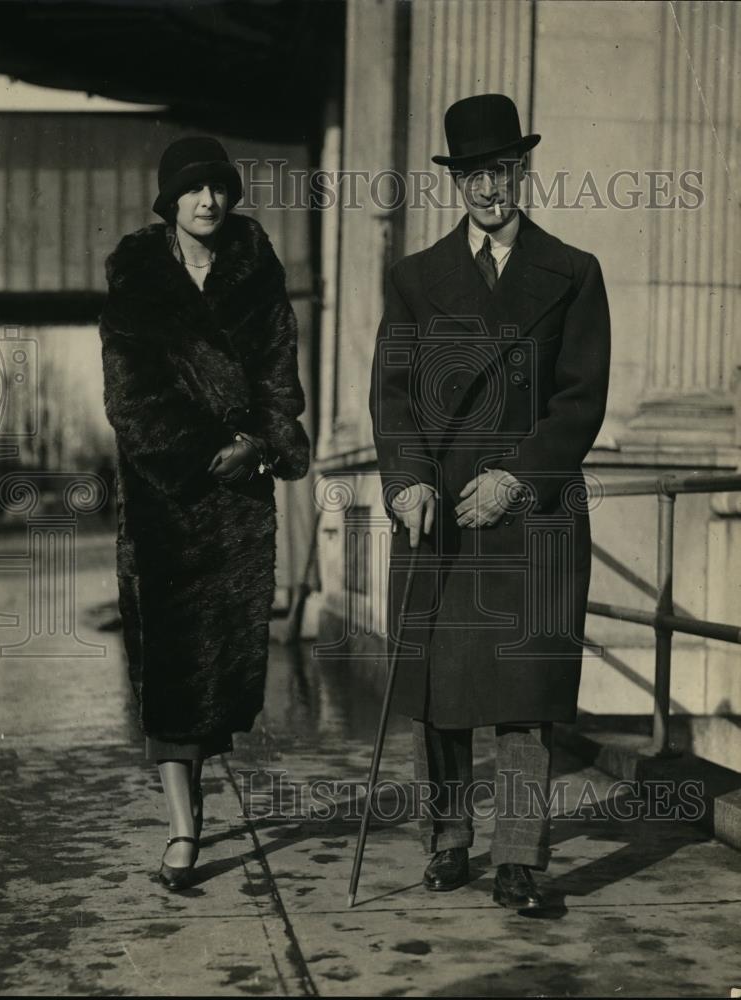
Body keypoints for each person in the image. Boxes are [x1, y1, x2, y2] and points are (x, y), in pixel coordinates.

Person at [369, 94, 611, 910]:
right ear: (456, 182)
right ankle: (447, 840)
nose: (488, 188)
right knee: (441, 692)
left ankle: (518, 858)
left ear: (521, 172)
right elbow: (393, 395)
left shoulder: (573, 273)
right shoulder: (412, 280)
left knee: (524, 696)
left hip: (531, 508)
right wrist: (403, 483)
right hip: (437, 507)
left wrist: (517, 476)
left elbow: (579, 400)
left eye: (500, 171)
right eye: (473, 174)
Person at [99, 136, 310, 891]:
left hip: (237, 501)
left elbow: (282, 383)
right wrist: (200, 453)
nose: (208, 201)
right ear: (170, 202)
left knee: (219, 666)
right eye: (193, 190)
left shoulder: (257, 274)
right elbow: (130, 399)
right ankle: (184, 828)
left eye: (218, 187)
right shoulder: (136, 281)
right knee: (168, 663)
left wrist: (260, 444)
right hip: (166, 498)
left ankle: (197, 790)